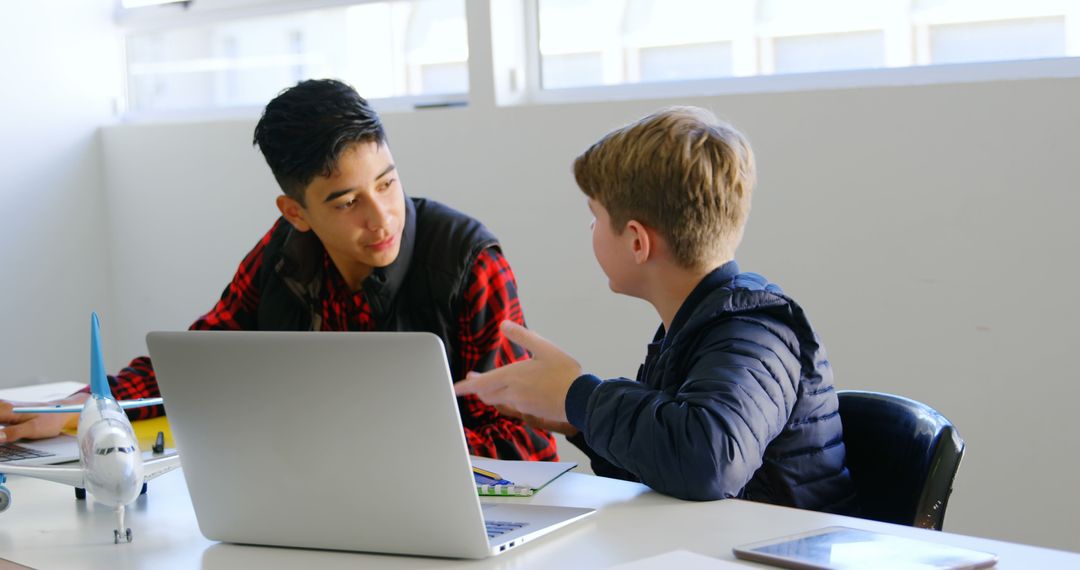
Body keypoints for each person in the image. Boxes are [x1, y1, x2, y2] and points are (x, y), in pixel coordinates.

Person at [0, 79, 557, 462]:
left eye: (387, 182)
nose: (382, 217)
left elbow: (526, 442)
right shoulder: (284, 253)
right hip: (317, 502)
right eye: (345, 203)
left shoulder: (468, 262)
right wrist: (90, 407)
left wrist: (366, 442)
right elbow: (203, 363)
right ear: (296, 213)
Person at [454, 106, 857, 511]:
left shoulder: (757, 332)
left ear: (636, 242)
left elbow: (708, 464)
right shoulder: (694, 327)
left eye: (595, 216)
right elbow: (666, 475)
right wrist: (579, 421)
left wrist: (580, 395)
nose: (590, 229)